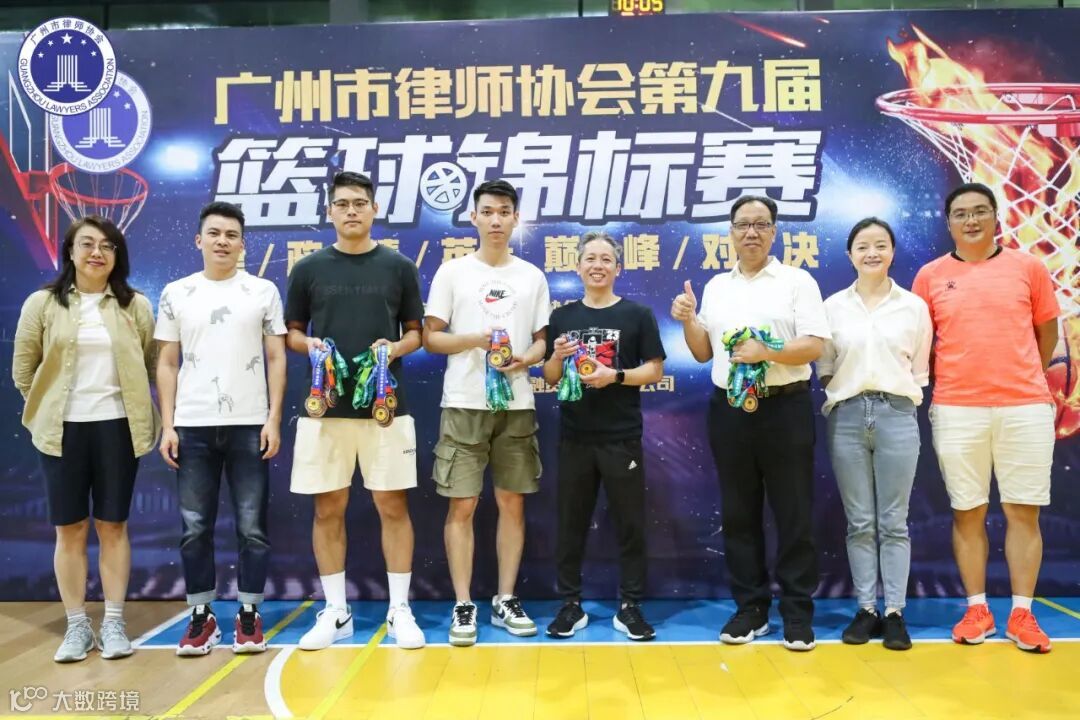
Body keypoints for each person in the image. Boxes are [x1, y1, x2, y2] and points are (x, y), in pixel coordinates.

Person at [670, 195, 830, 652]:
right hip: (730, 410)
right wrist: (689, 320)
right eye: (743, 224)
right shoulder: (718, 286)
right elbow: (703, 352)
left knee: (793, 512)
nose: (751, 232)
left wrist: (769, 351)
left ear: (774, 231)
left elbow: (815, 346)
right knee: (739, 513)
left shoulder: (797, 281)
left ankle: (797, 612)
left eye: (761, 224)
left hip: (784, 407)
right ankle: (751, 608)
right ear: (731, 232)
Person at [912, 182, 1060, 654]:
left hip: (1025, 406)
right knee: (967, 510)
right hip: (957, 407)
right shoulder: (930, 276)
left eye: (980, 211)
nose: (971, 220)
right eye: (961, 213)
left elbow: (1047, 333)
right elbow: (922, 344)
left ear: (997, 217)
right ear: (949, 223)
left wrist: (1020, 377)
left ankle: (1022, 614)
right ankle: (977, 610)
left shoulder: (1029, 268)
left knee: (1023, 510)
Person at [285, 171, 426, 650]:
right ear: (329, 211)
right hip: (324, 408)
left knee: (393, 506)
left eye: (360, 203)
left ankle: (399, 609)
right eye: (342, 203)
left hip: (386, 409)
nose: (351, 211)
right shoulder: (308, 268)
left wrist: (394, 349)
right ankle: (336, 611)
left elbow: (416, 332)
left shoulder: (398, 266)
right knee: (328, 509)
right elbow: (292, 332)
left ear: (374, 210)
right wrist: (310, 346)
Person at [13, 216, 157, 663]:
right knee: (70, 528)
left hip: (118, 427)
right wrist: (48, 409)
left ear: (117, 255)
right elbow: (24, 370)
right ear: (70, 252)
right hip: (62, 431)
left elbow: (151, 366)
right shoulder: (42, 303)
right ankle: (77, 626)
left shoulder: (136, 305)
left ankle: (113, 623)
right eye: (88, 244)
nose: (98, 252)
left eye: (107, 246)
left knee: (113, 526)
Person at [156, 202, 287, 655]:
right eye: (214, 233)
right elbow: (166, 361)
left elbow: (276, 357)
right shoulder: (176, 292)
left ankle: (249, 613)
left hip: (250, 424)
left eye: (231, 235)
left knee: (252, 528)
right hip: (191, 426)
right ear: (199, 240)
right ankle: (202, 615)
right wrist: (168, 424)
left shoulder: (263, 291)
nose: (222, 241)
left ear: (242, 244)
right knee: (195, 528)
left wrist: (273, 418)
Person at [423, 179, 549, 647]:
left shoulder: (531, 276)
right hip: (464, 402)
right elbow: (431, 337)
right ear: (473, 218)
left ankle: (505, 597)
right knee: (462, 504)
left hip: (516, 403)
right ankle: (463, 603)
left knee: (512, 502)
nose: (496, 220)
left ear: (516, 219)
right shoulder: (453, 272)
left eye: (504, 212)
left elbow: (542, 340)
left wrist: (526, 358)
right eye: (488, 212)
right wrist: (476, 339)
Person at [542, 231, 665, 641]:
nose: (597, 265)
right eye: (590, 258)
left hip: (621, 436)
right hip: (574, 437)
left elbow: (655, 370)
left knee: (630, 524)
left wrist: (616, 376)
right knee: (570, 524)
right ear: (578, 266)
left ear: (618, 268)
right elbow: (550, 376)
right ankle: (570, 605)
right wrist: (557, 357)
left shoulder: (637, 314)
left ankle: (630, 606)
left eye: (606, 259)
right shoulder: (562, 318)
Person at [818, 218, 932, 651]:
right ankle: (867, 609)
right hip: (846, 416)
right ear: (850, 255)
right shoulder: (832, 307)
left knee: (894, 522)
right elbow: (825, 366)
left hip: (897, 413)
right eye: (863, 246)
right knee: (860, 522)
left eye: (880, 245)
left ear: (892, 252)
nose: (872, 253)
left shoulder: (913, 307)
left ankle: (895, 612)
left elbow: (919, 371)